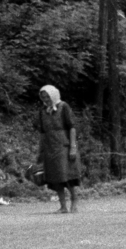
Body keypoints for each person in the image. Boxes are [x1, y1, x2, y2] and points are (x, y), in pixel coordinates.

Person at [36, 84, 81, 214]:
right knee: (55, 177)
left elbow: (72, 127)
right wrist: (40, 150)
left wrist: (73, 147)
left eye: (48, 96)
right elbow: (42, 132)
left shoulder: (63, 107)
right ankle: (63, 206)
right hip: (50, 147)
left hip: (63, 145)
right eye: (43, 97)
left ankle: (74, 202)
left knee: (68, 175)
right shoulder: (42, 111)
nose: (46, 99)